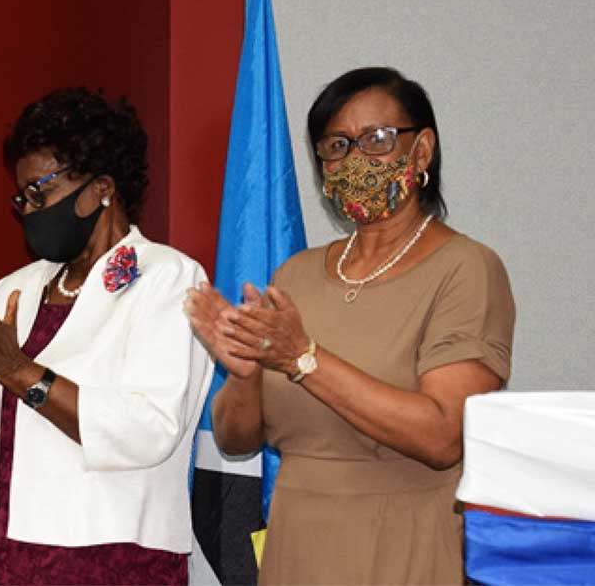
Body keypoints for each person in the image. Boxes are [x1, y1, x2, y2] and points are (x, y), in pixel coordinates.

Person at [184, 67, 514, 585]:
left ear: (421, 150)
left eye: (377, 139)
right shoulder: (297, 273)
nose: (356, 158)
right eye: (337, 145)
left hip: (406, 542)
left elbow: (443, 437)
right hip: (296, 542)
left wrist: (304, 358)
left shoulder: (467, 268)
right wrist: (245, 369)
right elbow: (237, 439)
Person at [0, 87, 213, 585]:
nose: (30, 211)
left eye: (42, 192)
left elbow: (150, 431)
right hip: (5, 559)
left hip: (113, 559)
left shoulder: (168, 278)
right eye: (23, 198)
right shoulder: (15, 289)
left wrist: (17, 370)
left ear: (101, 186)